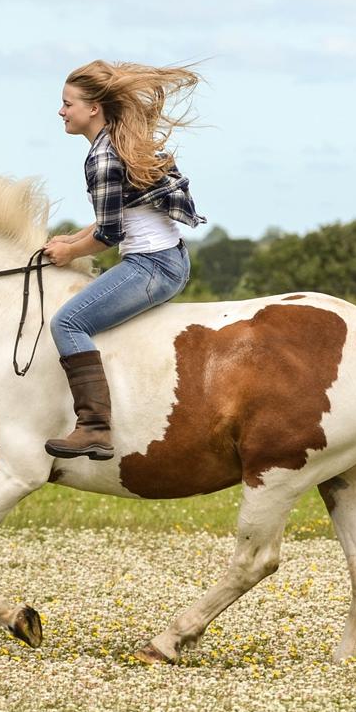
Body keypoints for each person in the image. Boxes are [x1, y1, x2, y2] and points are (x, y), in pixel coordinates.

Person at [42, 60, 206, 461]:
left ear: (93, 108)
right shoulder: (117, 143)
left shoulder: (102, 158)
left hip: (152, 267)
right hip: (167, 258)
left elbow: (109, 235)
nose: (61, 112)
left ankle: (94, 428)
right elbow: (119, 216)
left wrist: (69, 252)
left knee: (68, 322)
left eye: (67, 104)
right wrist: (74, 236)